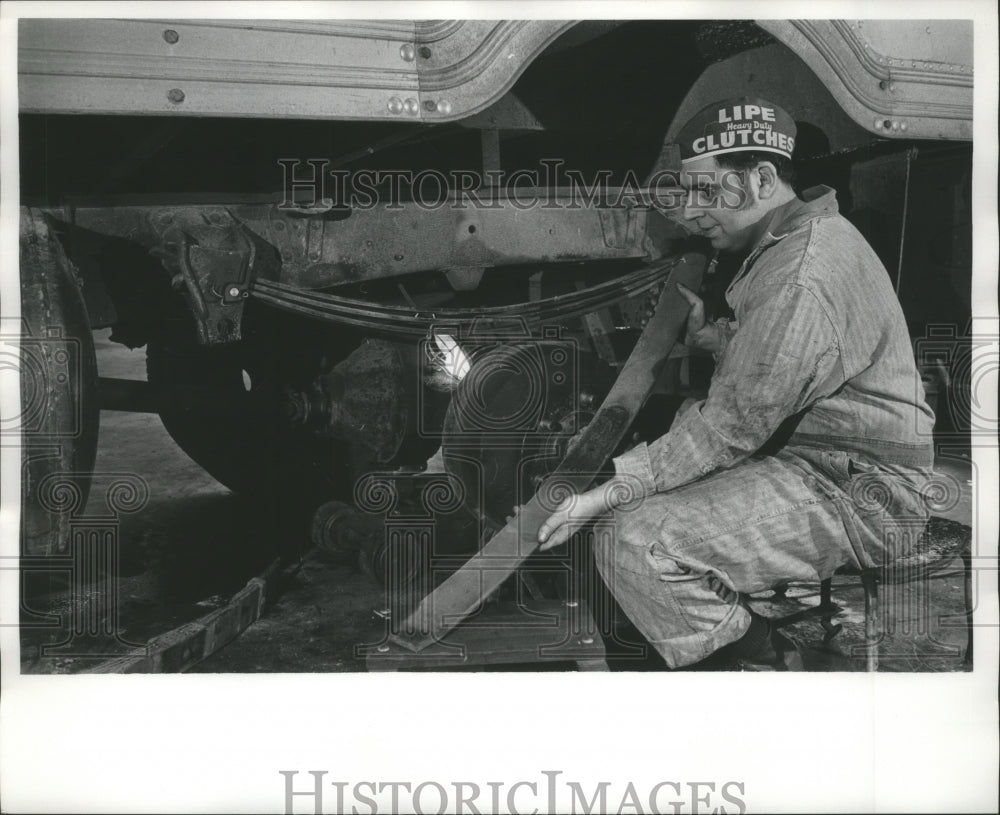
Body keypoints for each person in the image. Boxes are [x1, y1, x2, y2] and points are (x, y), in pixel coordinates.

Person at [536, 96, 936, 670]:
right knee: (646, 488)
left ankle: (769, 664)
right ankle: (668, 656)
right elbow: (791, 363)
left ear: (764, 178)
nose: (692, 213)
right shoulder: (794, 240)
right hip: (818, 460)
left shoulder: (804, 273)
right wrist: (711, 340)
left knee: (637, 539)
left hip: (866, 490)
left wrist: (607, 489)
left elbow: (731, 426)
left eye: (706, 191)